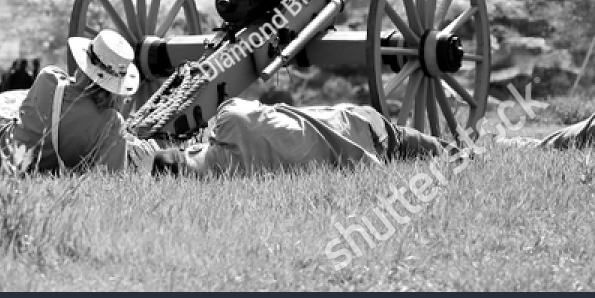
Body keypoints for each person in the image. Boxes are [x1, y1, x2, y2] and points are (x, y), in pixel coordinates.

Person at [0, 30, 142, 173]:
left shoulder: (48, 80)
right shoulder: (111, 123)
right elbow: (111, 177)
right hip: (46, 171)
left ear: (84, 62)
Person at [148, 99, 448, 176]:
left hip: (362, 144)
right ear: (188, 151)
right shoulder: (230, 118)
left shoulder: (235, 178)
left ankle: (459, 155)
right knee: (417, 145)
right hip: (357, 124)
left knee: (406, 147)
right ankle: (464, 155)